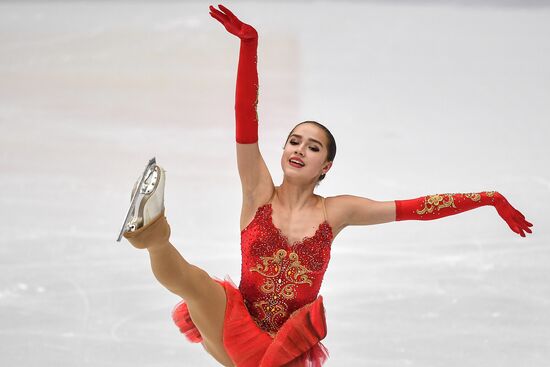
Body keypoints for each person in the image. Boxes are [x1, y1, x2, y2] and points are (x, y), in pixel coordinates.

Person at [118, 4, 533, 367]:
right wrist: (249, 47)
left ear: (326, 165)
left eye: (312, 147)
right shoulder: (257, 191)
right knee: (199, 285)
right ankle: (151, 231)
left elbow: (416, 207)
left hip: (282, 351)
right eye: (294, 141)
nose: (299, 150)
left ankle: (153, 234)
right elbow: (246, 118)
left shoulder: (337, 211)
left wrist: (488, 198)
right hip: (234, 326)